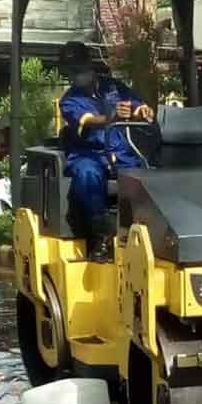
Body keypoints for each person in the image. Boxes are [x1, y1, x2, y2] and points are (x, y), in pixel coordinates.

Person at [57, 40, 154, 262]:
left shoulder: (114, 87)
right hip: (89, 155)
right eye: (72, 71)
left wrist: (142, 111)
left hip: (121, 153)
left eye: (80, 68)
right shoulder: (69, 101)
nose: (77, 74)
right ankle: (101, 236)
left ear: (89, 65)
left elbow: (137, 106)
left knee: (144, 176)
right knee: (87, 175)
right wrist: (112, 117)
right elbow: (91, 121)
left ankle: (142, 235)